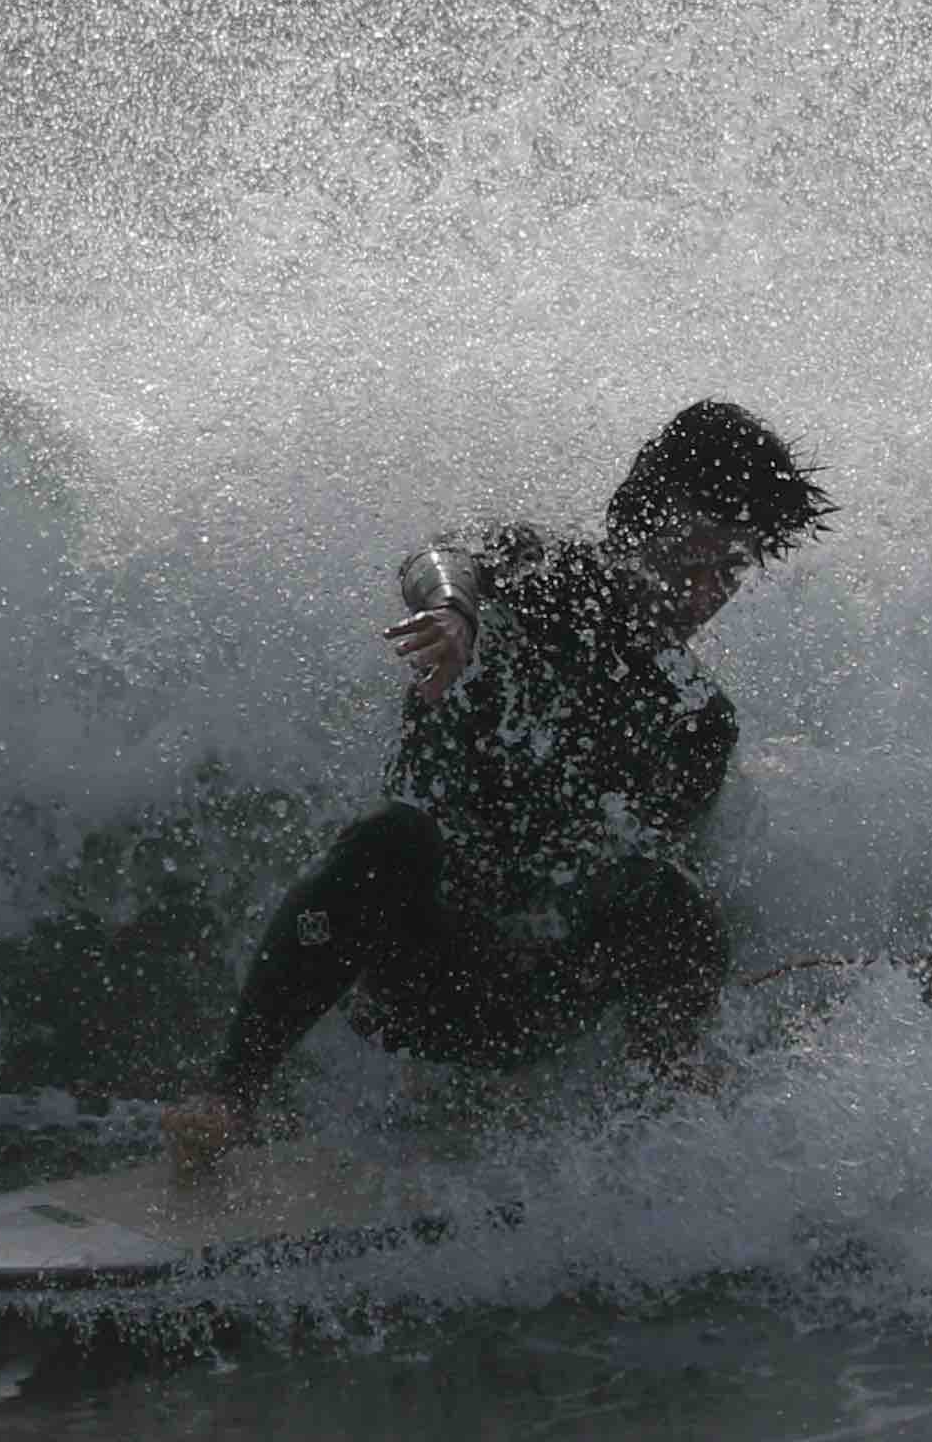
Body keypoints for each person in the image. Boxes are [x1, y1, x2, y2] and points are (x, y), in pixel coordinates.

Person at [163, 400, 835, 1175]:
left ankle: (669, 1123)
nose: (702, 592)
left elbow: (653, 891)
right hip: (411, 973)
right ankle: (228, 1098)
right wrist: (452, 611)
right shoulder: (538, 576)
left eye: (731, 570)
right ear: (639, 520)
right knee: (394, 837)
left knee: (672, 902)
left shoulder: (696, 721)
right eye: (691, 556)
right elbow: (439, 558)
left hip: (538, 997)